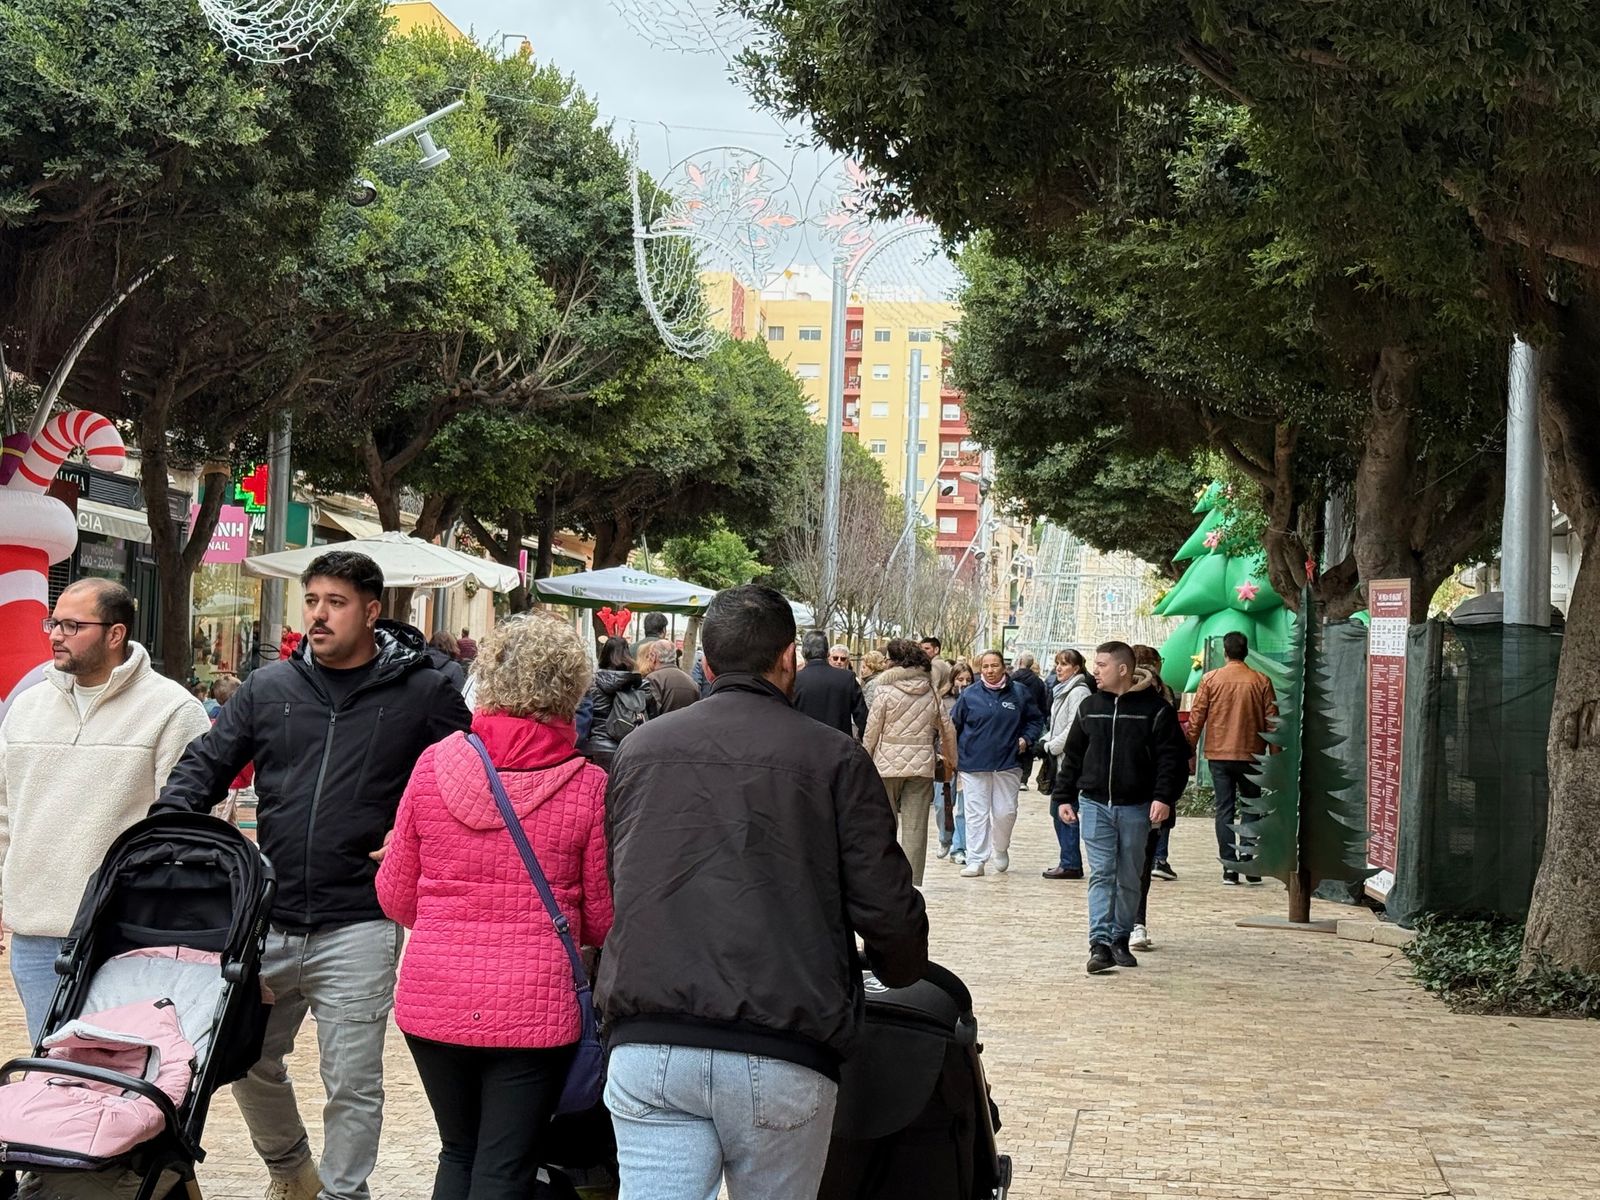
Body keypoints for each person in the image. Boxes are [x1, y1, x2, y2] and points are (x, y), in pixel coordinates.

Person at [155, 550, 472, 1200]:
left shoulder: (425, 692)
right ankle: (291, 1169)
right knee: (242, 1058)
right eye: (313, 602)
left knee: (352, 1082)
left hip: (359, 918)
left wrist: (418, 835)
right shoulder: (269, 690)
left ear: (373, 610)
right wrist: (166, 830)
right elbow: (205, 766)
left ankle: (342, 1194)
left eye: (336, 602)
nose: (319, 616)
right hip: (265, 920)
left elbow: (470, 781)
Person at [598, 585, 928, 1200]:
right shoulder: (833, 757)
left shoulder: (640, 750)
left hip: (650, 1034)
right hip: (782, 1038)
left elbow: (620, 878)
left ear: (706, 664)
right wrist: (900, 967)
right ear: (788, 659)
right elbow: (886, 904)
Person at [376, 614, 612, 1200]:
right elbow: (605, 919)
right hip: (535, 1007)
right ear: (571, 688)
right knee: (507, 1164)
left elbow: (395, 895)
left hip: (434, 995)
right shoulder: (587, 785)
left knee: (458, 1149)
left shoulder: (434, 765)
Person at [0, 579, 211, 1042]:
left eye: (72, 625)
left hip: (125, 933)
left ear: (115, 634)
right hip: (35, 931)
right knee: (50, 1068)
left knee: (121, 1075)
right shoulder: (26, 708)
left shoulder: (172, 709)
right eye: (52, 623)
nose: (55, 634)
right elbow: (4, 811)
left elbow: (191, 827)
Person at [1052, 642, 1189, 975]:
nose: (1095, 670)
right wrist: (1063, 797)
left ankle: (1120, 937)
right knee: (1102, 873)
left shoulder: (1155, 709)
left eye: (1101, 665)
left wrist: (1163, 797)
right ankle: (1098, 944)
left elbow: (1172, 760)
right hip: (1095, 803)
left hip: (1137, 806)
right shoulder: (1090, 707)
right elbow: (1073, 756)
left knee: (1129, 875)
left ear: (1123, 669)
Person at [863, 639, 957, 886]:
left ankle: (887, 877)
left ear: (893, 662)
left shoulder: (884, 690)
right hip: (922, 765)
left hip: (886, 763)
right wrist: (952, 761)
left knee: (885, 822)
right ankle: (912, 882)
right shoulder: (931, 691)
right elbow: (947, 729)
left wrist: (866, 758)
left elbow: (872, 730)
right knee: (916, 826)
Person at [1187, 631, 1278, 885]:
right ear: (1246, 651)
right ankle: (1249, 864)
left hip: (1219, 754)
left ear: (1225, 653)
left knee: (1224, 810)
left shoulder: (1210, 679)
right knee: (1251, 808)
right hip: (1252, 754)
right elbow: (1273, 722)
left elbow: (1197, 718)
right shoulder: (1261, 681)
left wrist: (1189, 750)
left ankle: (1229, 868)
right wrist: (1276, 757)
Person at [948, 650, 1044, 878]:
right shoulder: (969, 695)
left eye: (994, 666)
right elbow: (954, 724)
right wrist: (951, 754)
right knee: (975, 813)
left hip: (1008, 762)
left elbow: (1035, 719)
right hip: (974, 762)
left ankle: (1000, 848)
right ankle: (976, 859)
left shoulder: (1019, 693)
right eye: (986, 666)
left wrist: (1026, 739)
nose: (990, 671)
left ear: (1004, 667)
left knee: (1005, 812)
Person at [1130, 645, 1183, 952]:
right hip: (1117, 795)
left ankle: (1134, 921)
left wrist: (1165, 794)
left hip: (1149, 792)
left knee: (1140, 860)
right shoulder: (1104, 700)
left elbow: (1171, 754)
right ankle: (1115, 925)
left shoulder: (1161, 704)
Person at [1040, 649, 1093, 880]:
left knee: (1064, 809)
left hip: (1071, 762)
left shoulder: (1078, 692)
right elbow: (1057, 725)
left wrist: (1050, 746)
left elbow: (1073, 728)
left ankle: (1071, 862)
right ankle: (1068, 859)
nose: (1059, 668)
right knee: (1058, 809)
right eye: (1057, 664)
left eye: (1064, 664)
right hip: (1062, 760)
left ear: (1077, 668)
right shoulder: (1063, 690)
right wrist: (1045, 740)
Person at [578, 638, 657, 772]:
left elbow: (583, 720)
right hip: (630, 749)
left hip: (596, 749)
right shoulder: (641, 686)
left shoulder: (591, 685)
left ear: (603, 655)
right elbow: (653, 719)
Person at [793, 631, 868, 737]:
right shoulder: (847, 679)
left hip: (805, 744)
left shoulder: (795, 681)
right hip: (840, 745)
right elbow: (862, 717)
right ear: (827, 653)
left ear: (803, 653)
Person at [944, 662, 975, 864]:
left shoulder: (974, 699)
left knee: (963, 808)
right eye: (960, 679)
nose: (964, 683)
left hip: (965, 760)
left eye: (968, 680)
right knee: (943, 805)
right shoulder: (942, 700)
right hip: (945, 759)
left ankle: (959, 846)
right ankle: (945, 838)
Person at [1009, 652, 1052, 791]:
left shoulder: (1011, 679)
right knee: (1027, 749)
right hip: (1030, 719)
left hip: (1014, 718)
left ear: (1020, 661)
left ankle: (1013, 775)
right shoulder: (1038, 681)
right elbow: (1043, 702)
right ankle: (1024, 779)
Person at [638, 638, 698, 714]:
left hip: (661, 725)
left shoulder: (653, 679)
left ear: (654, 656)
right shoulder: (692, 682)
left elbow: (652, 712)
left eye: (650, 655)